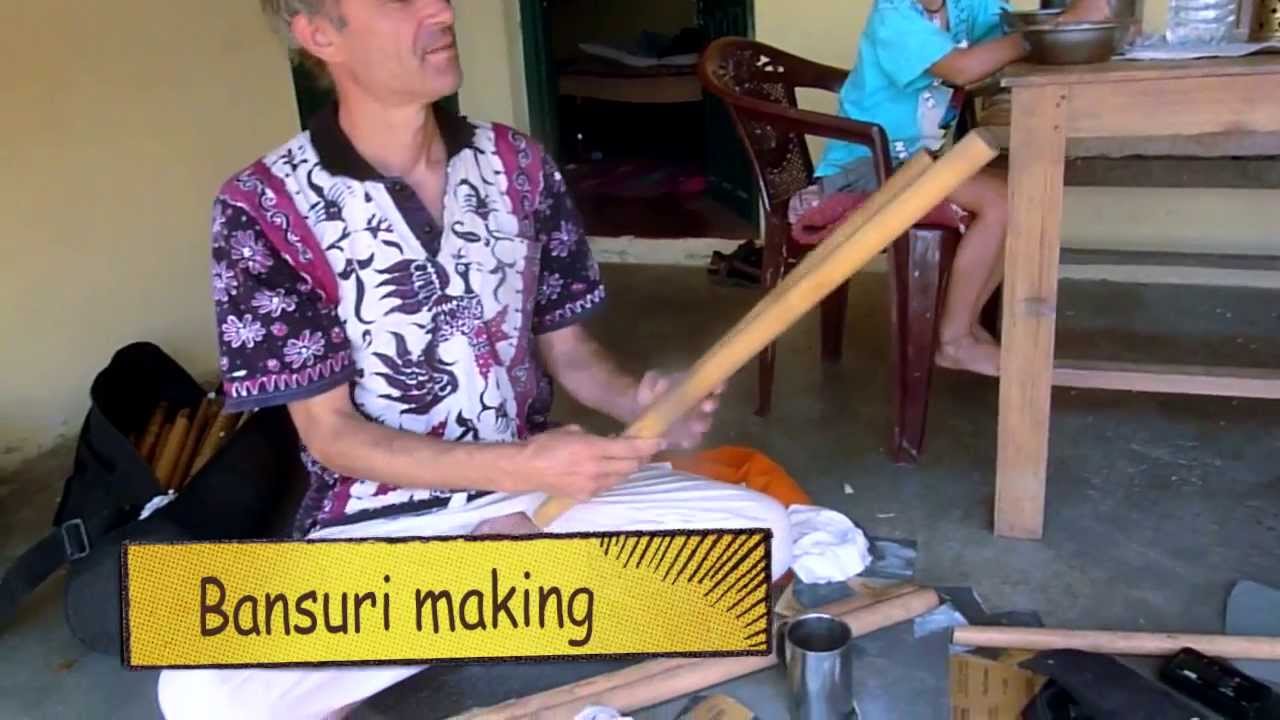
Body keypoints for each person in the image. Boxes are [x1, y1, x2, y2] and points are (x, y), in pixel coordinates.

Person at [157, 1, 793, 718]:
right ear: (319, 33)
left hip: (539, 507)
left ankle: (457, 632)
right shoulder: (262, 207)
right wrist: (519, 471)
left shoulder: (518, 166)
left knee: (761, 536)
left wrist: (638, 402)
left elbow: (573, 355)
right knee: (200, 687)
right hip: (388, 532)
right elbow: (331, 436)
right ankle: (500, 614)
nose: (440, 7)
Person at [809, 0, 1111, 376]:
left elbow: (1011, 41)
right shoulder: (892, 15)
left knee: (1020, 196)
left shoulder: (972, 6)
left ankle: (963, 327)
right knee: (1001, 201)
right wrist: (1053, 30)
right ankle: (953, 342)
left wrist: (1066, 20)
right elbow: (962, 68)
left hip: (916, 164)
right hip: (868, 165)